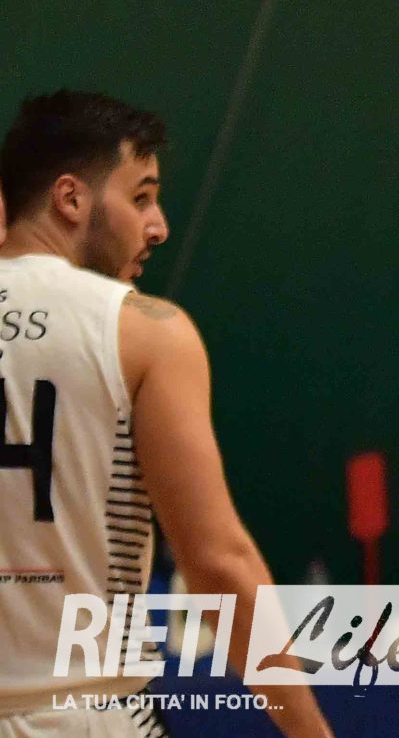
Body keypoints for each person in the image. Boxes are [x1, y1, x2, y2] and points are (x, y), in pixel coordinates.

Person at [0, 90, 332, 737]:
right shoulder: (145, 330)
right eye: (141, 197)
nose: (158, 226)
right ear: (70, 198)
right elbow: (216, 561)